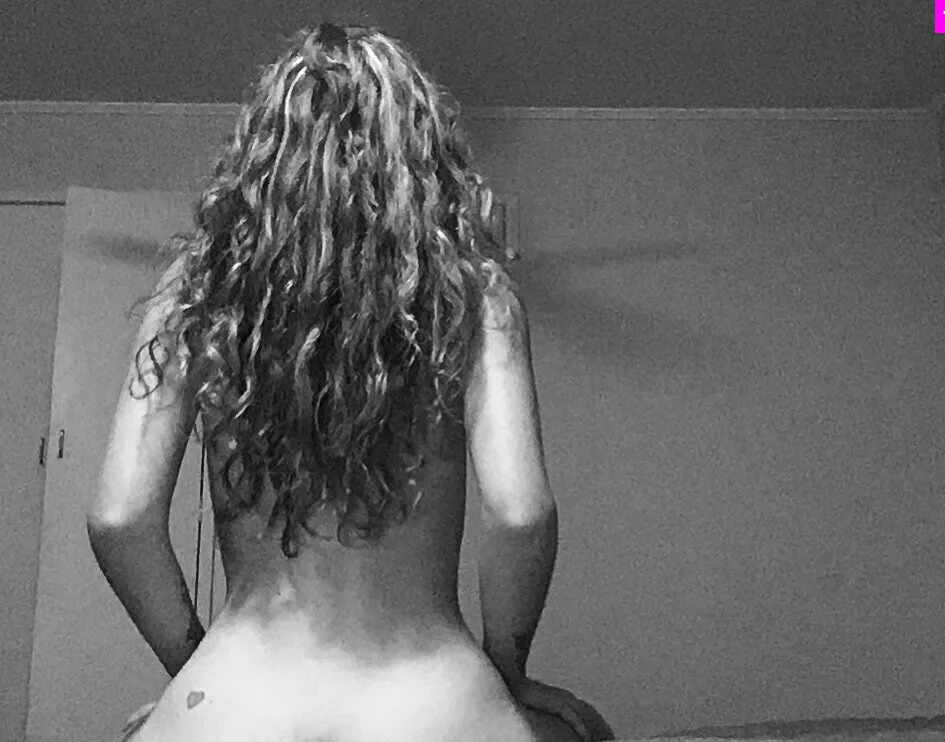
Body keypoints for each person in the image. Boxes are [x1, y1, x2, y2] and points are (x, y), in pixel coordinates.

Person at [86, 19, 614, 742]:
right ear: (418, 152)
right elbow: (520, 515)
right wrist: (505, 672)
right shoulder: (471, 291)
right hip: (430, 705)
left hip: (235, 705)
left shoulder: (196, 289)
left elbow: (120, 520)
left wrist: (193, 671)